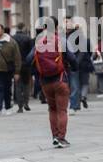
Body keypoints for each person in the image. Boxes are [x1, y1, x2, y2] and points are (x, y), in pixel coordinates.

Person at [28, 19, 71, 147]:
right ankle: (61, 138)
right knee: (62, 110)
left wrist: (38, 70)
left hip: (45, 81)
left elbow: (28, 59)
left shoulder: (38, 42)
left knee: (52, 109)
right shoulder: (61, 40)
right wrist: (72, 67)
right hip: (60, 79)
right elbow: (72, 58)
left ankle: (55, 136)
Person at [0, 24, 20, 115]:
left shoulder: (12, 42)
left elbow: (17, 58)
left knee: (7, 89)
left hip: (7, 70)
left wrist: (17, 72)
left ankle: (8, 107)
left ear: (2, 31)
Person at [11, 22, 34, 112]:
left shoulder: (12, 38)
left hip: (16, 65)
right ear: (24, 28)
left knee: (18, 85)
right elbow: (31, 52)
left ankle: (20, 106)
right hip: (26, 64)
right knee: (26, 85)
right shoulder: (28, 38)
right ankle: (26, 103)